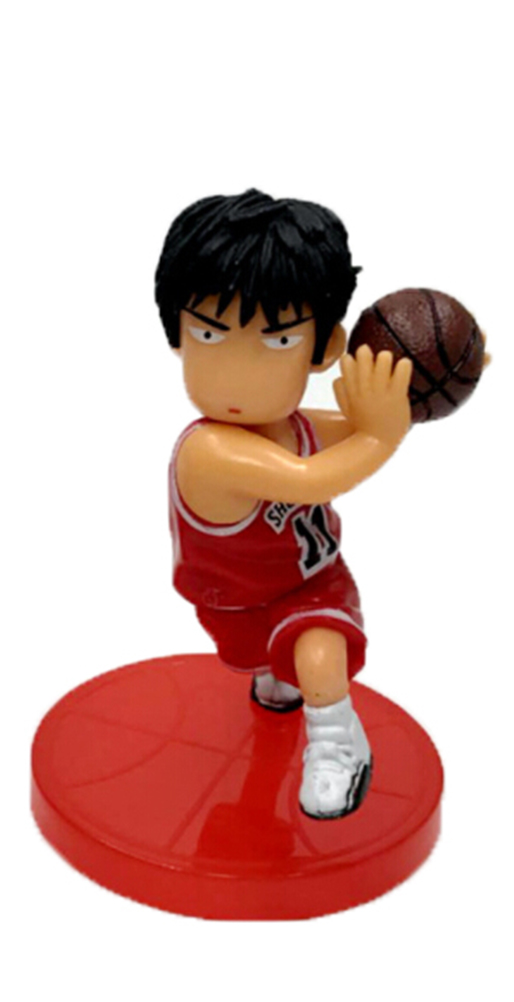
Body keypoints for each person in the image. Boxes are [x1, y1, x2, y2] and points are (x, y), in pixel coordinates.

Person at [154, 189, 413, 819]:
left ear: (322, 349)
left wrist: (422, 389)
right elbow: (315, 479)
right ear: (176, 335)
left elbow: (348, 430)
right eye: (209, 333)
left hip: (308, 584)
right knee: (274, 649)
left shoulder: (291, 425)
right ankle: (276, 678)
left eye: (276, 342)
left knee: (316, 645)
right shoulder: (210, 452)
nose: (237, 371)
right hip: (237, 599)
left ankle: (337, 745)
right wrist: (382, 435)